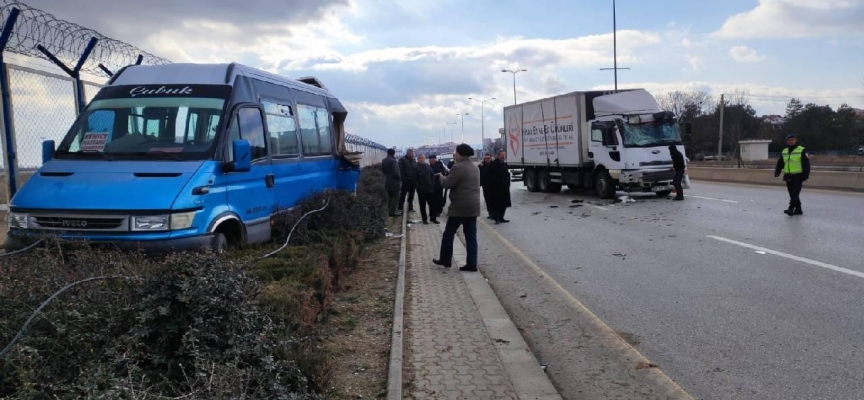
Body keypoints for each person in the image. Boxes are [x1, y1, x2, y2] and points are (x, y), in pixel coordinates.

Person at [433, 144, 480, 272]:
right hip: (473, 207)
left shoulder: (458, 167)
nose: (455, 155)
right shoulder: (474, 167)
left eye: (456, 153)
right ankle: (472, 264)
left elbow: (448, 184)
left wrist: (442, 178)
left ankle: (445, 259)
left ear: (460, 154)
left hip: (460, 207)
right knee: (471, 236)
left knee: (449, 233)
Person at [774, 134, 810, 216]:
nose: (790, 141)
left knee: (795, 193)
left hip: (798, 175)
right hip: (788, 175)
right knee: (792, 193)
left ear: (795, 140)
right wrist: (777, 171)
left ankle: (791, 208)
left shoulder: (801, 150)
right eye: (789, 140)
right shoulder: (784, 151)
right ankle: (798, 209)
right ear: (787, 141)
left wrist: (806, 175)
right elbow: (780, 163)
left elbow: (806, 164)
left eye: (792, 140)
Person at [413, 154, 438, 224]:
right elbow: (414, 180)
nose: (421, 159)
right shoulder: (415, 167)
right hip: (421, 191)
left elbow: (432, 176)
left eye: (423, 158)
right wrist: (419, 188)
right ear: (418, 159)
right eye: (420, 158)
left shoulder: (427, 166)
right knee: (422, 206)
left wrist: (432, 185)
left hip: (429, 189)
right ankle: (424, 219)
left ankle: (433, 218)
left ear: (424, 159)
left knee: (432, 205)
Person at [488, 150, 512, 223]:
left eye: (504, 155)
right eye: (501, 155)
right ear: (498, 156)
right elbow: (490, 176)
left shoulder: (504, 164)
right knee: (496, 204)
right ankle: (497, 218)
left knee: (504, 204)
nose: (503, 157)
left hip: (504, 188)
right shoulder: (493, 164)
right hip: (496, 188)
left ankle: (501, 217)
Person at [382, 148, 402, 217]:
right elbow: (396, 172)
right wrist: (400, 178)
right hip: (394, 182)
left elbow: (383, 171)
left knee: (390, 196)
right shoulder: (393, 161)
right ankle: (392, 212)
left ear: (387, 153)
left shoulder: (384, 161)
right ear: (394, 153)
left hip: (387, 180)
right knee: (395, 197)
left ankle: (389, 211)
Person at [398, 148, 417, 213]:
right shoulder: (402, 160)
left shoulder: (414, 160)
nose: (412, 154)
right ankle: (400, 208)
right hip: (405, 181)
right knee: (403, 195)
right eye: (411, 153)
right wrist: (403, 179)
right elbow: (400, 170)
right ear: (408, 153)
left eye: (413, 153)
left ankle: (410, 208)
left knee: (411, 195)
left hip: (413, 181)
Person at [478, 154, 494, 219]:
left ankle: (494, 214)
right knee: (487, 200)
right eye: (486, 158)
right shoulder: (482, 166)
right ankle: (490, 213)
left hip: (493, 186)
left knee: (493, 200)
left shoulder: (493, 166)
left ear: (491, 159)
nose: (487, 159)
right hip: (485, 186)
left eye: (488, 158)